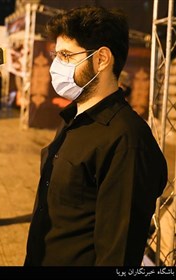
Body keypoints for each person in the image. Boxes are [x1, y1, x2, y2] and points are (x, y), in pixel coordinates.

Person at [24, 6, 168, 266]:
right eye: (56, 55)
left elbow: (119, 252)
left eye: (66, 55)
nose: (56, 66)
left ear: (102, 59)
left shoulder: (127, 140)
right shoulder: (74, 119)